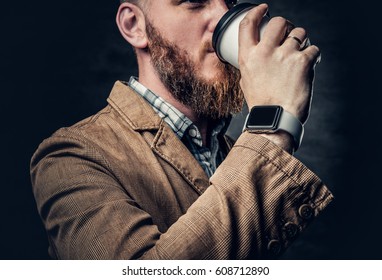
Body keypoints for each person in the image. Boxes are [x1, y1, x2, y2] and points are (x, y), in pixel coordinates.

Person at [30, 0, 333, 259]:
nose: (224, 18)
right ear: (135, 25)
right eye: (194, 1)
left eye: (229, 1)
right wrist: (273, 126)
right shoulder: (72, 156)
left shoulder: (238, 154)